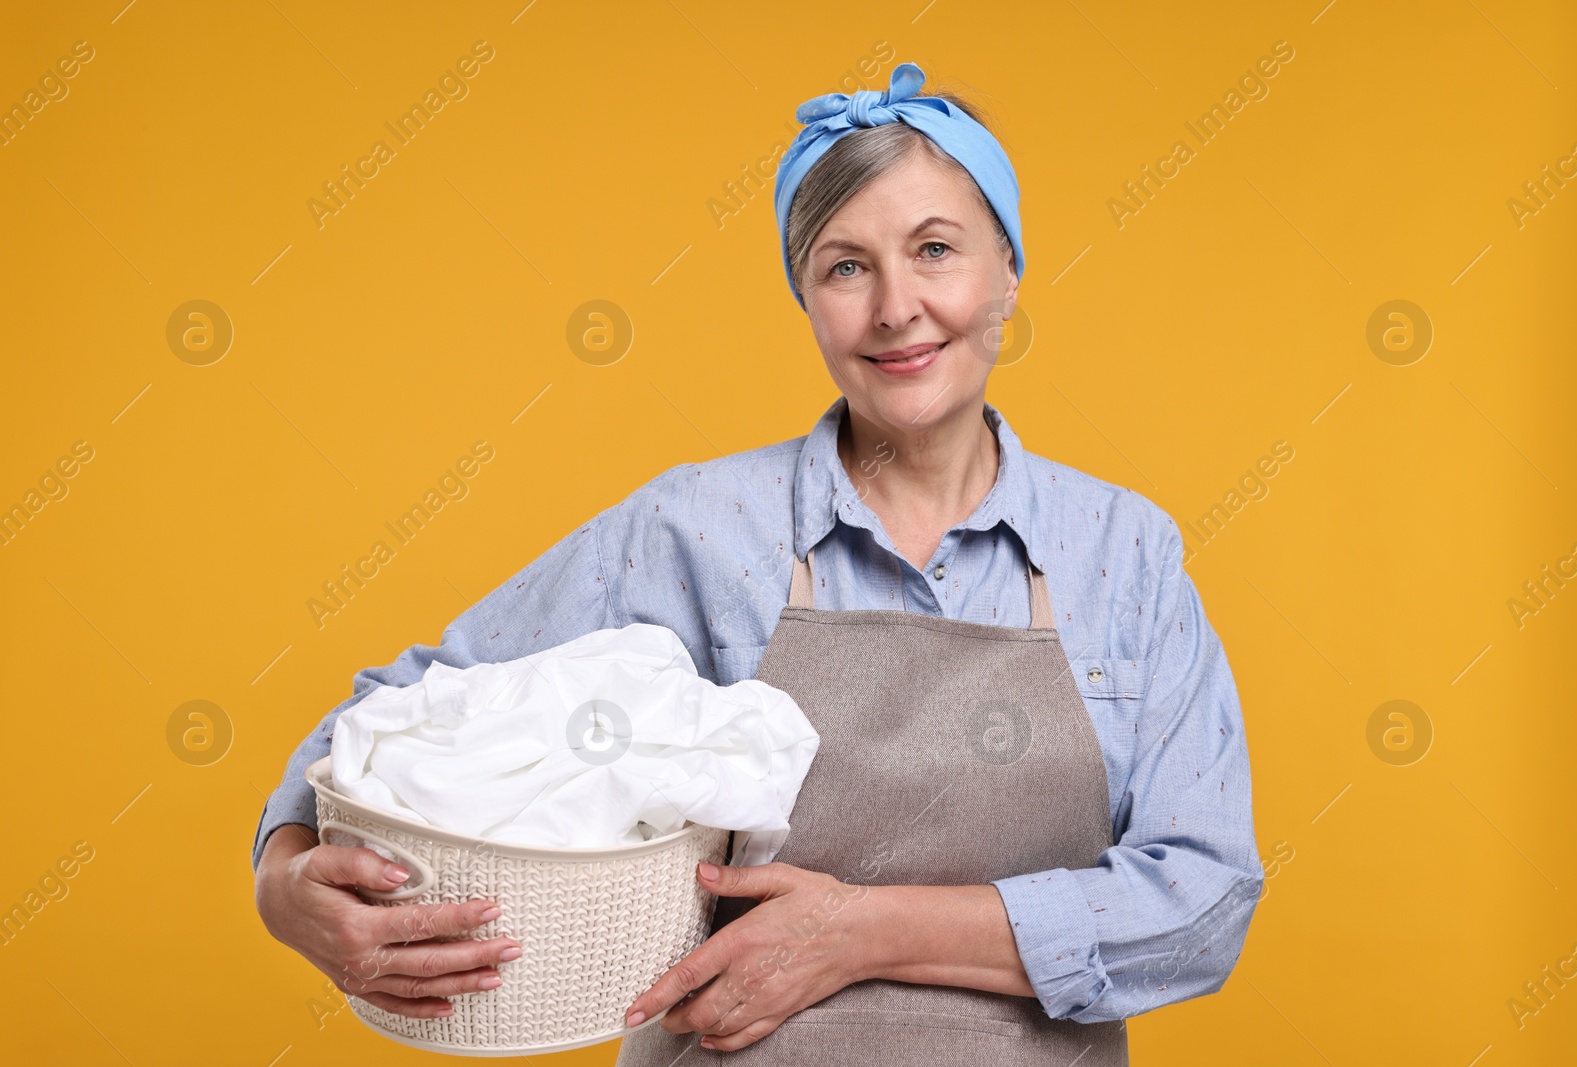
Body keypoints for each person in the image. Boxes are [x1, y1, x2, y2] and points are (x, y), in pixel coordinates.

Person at [252, 62, 1264, 1065]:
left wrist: (859, 929)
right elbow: (412, 707)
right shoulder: (694, 529)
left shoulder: (1124, 553)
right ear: (807, 298)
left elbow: (1202, 898)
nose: (896, 307)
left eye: (936, 249)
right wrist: (285, 880)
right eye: (845, 266)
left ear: (1007, 270)